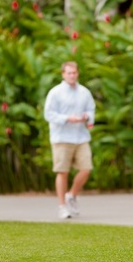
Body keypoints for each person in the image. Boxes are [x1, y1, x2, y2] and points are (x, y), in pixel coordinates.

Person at [44, 61, 95, 219]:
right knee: (63, 172)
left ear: (77, 73)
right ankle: (62, 206)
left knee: (86, 168)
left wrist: (88, 117)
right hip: (62, 137)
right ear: (63, 74)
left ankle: (71, 195)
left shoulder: (84, 92)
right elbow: (49, 114)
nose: (72, 75)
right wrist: (67, 119)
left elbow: (91, 109)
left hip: (80, 137)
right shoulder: (55, 92)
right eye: (69, 73)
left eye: (74, 73)